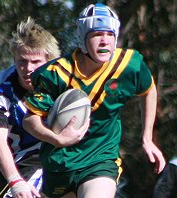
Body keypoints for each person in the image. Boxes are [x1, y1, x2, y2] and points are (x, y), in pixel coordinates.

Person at [22, 3, 165, 198]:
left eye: (110, 34)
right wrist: (57, 139)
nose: (105, 41)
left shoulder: (129, 65)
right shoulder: (57, 74)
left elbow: (149, 90)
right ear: (83, 38)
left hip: (100, 160)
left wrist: (147, 137)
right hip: (60, 164)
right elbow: (30, 120)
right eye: (97, 34)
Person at [0, 17, 60, 198]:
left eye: (35, 62)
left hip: (56, 159)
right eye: (22, 61)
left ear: (50, 60)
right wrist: (16, 181)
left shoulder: (64, 82)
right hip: (15, 165)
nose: (28, 68)